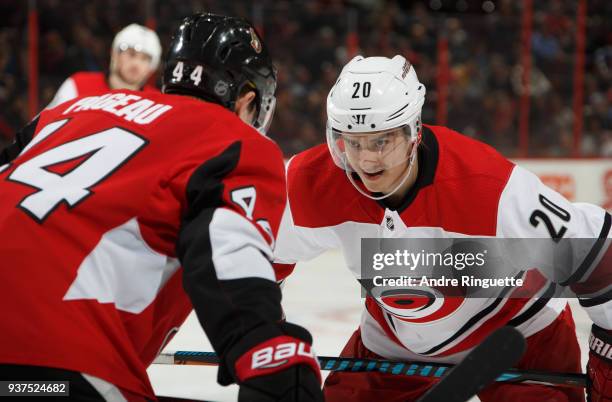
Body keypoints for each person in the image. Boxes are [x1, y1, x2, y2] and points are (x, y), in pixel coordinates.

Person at [0, 13, 323, 402]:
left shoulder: (65, 112)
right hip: (60, 359)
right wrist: (266, 352)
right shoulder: (232, 138)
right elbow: (226, 250)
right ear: (248, 100)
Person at [273, 55, 611, 402]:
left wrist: (609, 355)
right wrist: (261, 337)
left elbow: (599, 257)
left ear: (413, 132)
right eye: (353, 142)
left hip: (521, 336)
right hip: (395, 345)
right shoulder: (312, 182)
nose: (366, 160)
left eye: (381, 141)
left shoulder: (490, 187)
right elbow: (259, 255)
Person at [45, 23, 161, 109]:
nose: (136, 63)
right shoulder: (79, 84)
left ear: (152, 67)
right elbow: (44, 129)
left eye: (144, 59)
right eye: (131, 54)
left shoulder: (157, 103)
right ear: (115, 53)